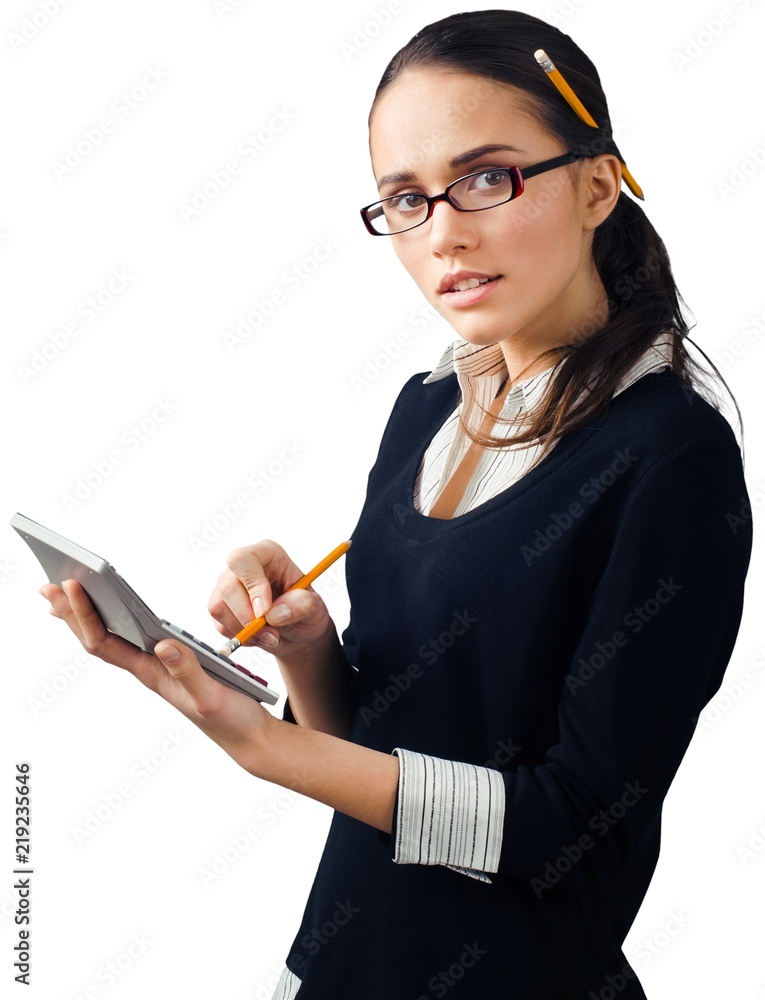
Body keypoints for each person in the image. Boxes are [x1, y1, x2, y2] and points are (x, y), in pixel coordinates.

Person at [40, 10, 753, 999]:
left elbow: (575, 834)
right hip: (343, 963)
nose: (444, 233)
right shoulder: (427, 405)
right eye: (406, 199)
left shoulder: (671, 456)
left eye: (487, 177)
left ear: (598, 183)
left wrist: (267, 749)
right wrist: (307, 648)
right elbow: (384, 750)